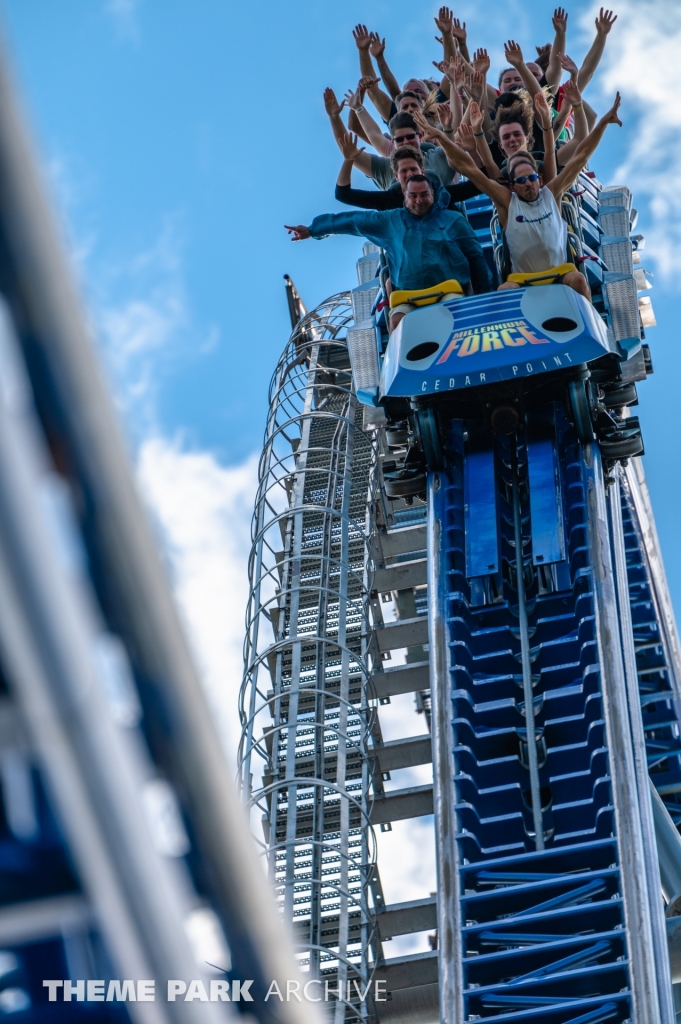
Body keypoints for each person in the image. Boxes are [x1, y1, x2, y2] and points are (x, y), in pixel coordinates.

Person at [411, 94, 622, 299]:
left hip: (561, 274)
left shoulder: (552, 193)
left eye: (531, 178)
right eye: (521, 180)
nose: (527, 183)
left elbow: (581, 156)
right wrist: (441, 136)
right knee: (504, 289)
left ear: (539, 179)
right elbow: (469, 169)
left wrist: (603, 122)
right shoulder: (507, 202)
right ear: (512, 185)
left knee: (578, 279)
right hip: (523, 280)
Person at [284, 175, 492, 331]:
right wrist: (314, 230)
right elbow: (353, 221)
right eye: (413, 196)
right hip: (409, 297)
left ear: (433, 195)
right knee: (398, 321)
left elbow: (475, 257)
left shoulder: (452, 220)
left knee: (454, 313)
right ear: (405, 197)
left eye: (424, 195)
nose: (418, 200)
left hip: (449, 292)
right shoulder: (391, 221)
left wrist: (484, 299)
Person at [334, 134, 482, 210]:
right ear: (396, 177)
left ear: (422, 171)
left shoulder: (441, 194)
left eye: (413, 169)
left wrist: (473, 151)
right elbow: (343, 195)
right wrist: (348, 160)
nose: (410, 174)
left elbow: (480, 183)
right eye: (404, 171)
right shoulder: (390, 200)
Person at [348, 111, 458, 189]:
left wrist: (447, 129)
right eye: (400, 139)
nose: (406, 142)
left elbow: (453, 147)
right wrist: (356, 108)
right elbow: (350, 151)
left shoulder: (437, 157)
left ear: (420, 136)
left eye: (410, 137)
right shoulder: (385, 169)